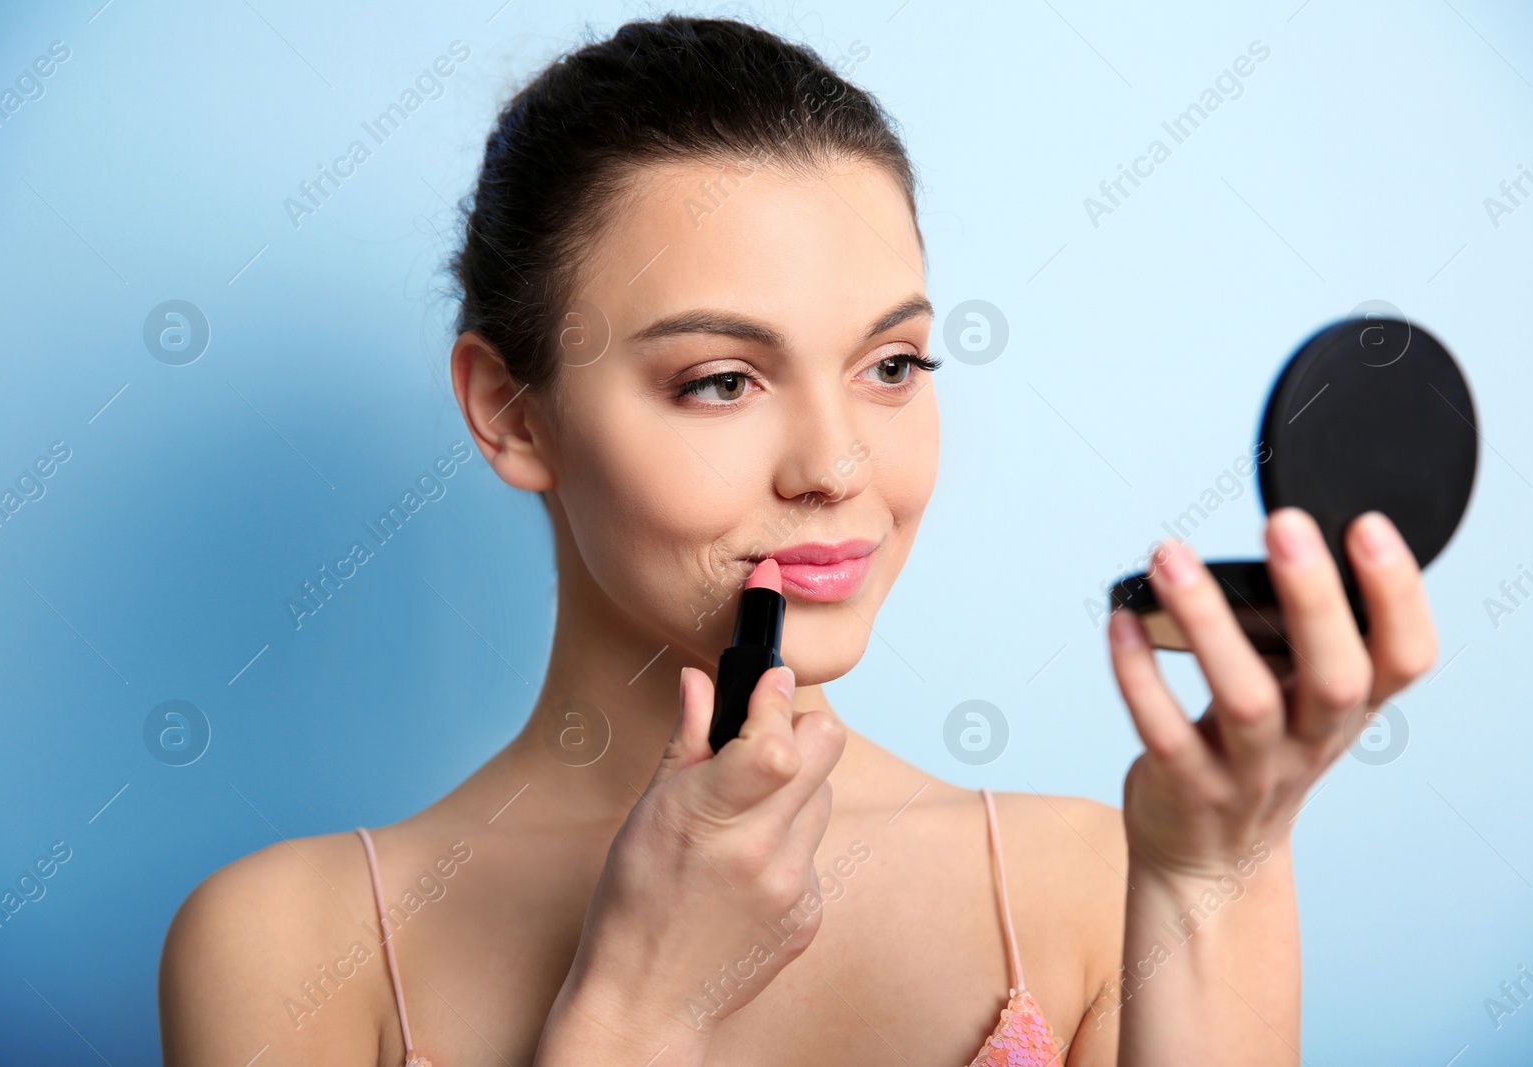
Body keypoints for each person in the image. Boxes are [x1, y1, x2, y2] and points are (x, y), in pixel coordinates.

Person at [158, 15, 1438, 1066]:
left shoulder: (1101, 885)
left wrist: (1222, 866)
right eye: (721, 379)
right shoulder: (288, 948)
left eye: (891, 364)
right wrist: (635, 1008)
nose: (836, 468)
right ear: (510, 409)